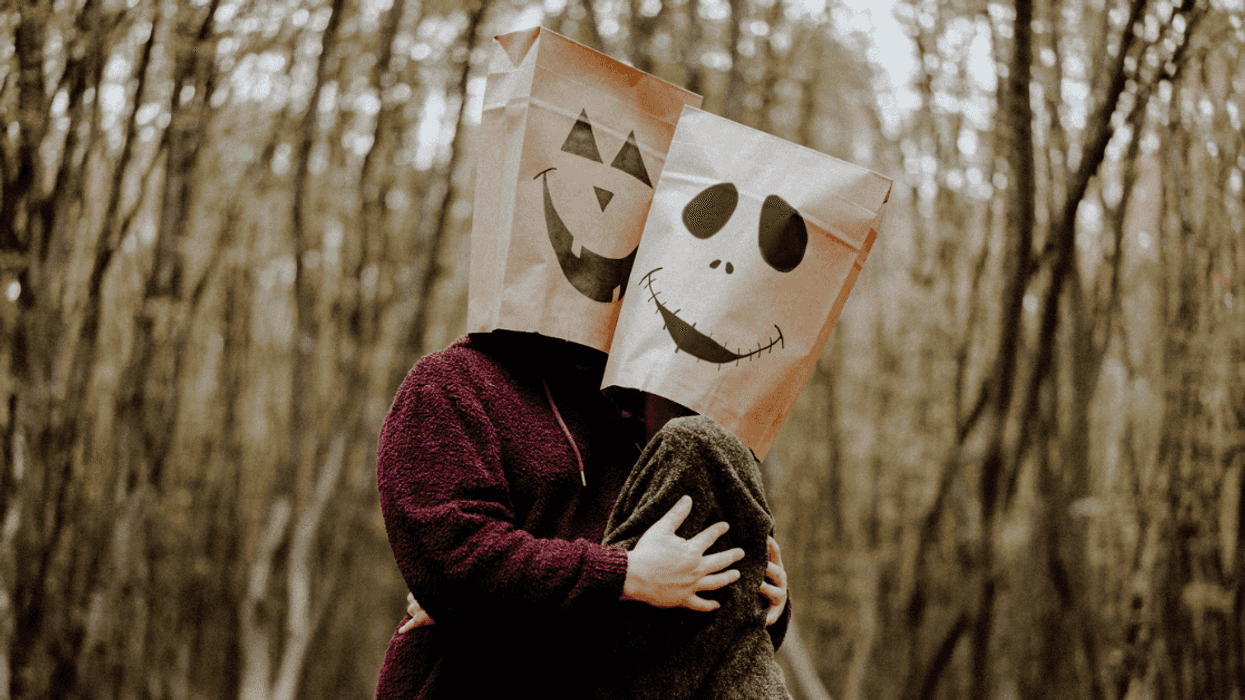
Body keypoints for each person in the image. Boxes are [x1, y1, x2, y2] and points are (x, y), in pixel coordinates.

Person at [375, 330, 790, 699]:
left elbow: (677, 590)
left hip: (602, 668)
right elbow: (456, 564)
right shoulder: (449, 381)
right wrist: (625, 574)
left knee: (709, 442)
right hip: (484, 678)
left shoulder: (642, 407)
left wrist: (759, 587)